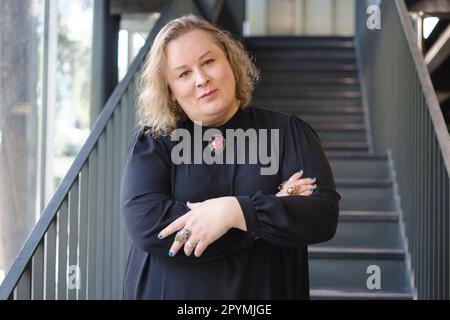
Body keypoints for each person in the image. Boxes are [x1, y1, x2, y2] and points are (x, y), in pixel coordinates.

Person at [120, 14, 340, 300]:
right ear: (171, 92)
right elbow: (148, 225)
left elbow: (321, 216)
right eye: (184, 73)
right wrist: (261, 215)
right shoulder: (155, 143)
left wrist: (236, 212)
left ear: (230, 63)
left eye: (208, 61)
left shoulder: (287, 132)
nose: (201, 79)